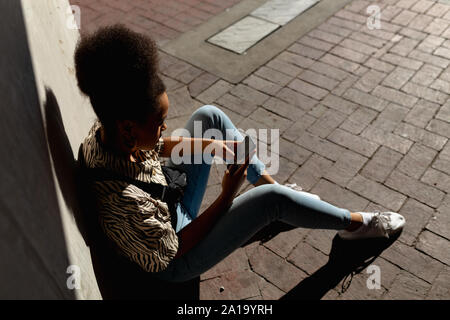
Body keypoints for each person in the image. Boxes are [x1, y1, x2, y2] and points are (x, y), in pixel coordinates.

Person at [75, 24, 405, 283]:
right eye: (159, 122)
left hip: (168, 204)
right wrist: (226, 197)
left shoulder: (108, 133)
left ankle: (275, 197)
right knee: (272, 201)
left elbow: (156, 146)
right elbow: (172, 251)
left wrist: (211, 145)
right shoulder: (123, 202)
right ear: (129, 127)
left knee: (209, 117)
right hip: (176, 256)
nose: (165, 128)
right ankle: (357, 226)